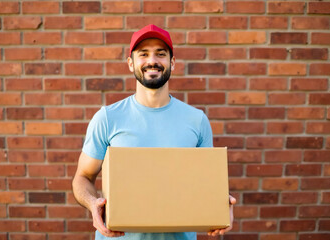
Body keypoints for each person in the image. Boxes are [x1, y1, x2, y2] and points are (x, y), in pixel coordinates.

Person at [72, 24, 236, 240]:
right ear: (131, 64)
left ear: (172, 63)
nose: (152, 61)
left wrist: (220, 207)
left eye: (161, 54)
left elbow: (205, 184)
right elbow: (83, 177)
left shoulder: (197, 121)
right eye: (143, 54)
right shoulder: (108, 118)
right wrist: (93, 204)